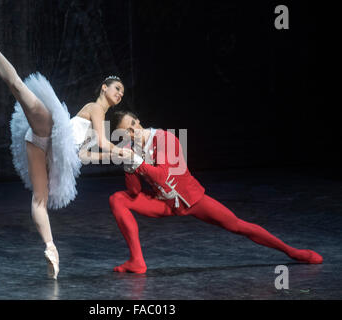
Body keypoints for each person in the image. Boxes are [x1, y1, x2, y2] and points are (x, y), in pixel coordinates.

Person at [0, 16, 132, 279]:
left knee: (39, 199)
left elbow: (83, 154)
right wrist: (121, 151)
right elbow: (103, 142)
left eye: (123, 92)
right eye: (117, 88)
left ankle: (51, 248)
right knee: (18, 88)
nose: (120, 94)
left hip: (49, 150)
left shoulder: (99, 116)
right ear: (104, 88)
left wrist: (113, 153)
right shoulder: (95, 108)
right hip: (50, 134)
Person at [108, 110, 323, 273]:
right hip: (163, 204)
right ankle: (137, 261)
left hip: (191, 199)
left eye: (132, 125)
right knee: (118, 199)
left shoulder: (165, 139)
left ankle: (293, 251)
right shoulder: (132, 150)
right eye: (125, 131)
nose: (132, 131)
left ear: (138, 121)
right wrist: (129, 166)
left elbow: (162, 176)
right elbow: (134, 192)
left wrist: (138, 163)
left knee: (238, 226)